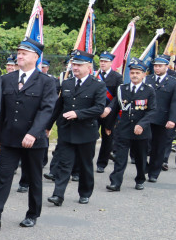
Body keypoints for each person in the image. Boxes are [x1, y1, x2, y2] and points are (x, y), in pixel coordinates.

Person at [0, 37, 57, 231]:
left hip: (34, 140)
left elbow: (46, 110)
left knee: (33, 178)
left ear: (35, 56)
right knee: (3, 177)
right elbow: (1, 112)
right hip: (9, 138)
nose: (19, 56)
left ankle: (32, 214)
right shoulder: (6, 79)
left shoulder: (46, 82)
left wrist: (33, 133)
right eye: (19, 52)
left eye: (24, 53)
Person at [47, 51, 108, 206]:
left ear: (89, 67)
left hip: (86, 131)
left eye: (79, 65)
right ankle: (58, 195)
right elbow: (58, 107)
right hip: (67, 130)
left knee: (85, 164)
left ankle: (85, 192)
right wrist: (48, 126)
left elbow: (99, 108)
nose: (75, 68)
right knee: (64, 164)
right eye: (74, 64)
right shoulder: (67, 83)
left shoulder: (98, 85)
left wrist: (78, 113)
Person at [107, 59, 156, 191]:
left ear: (144, 74)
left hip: (141, 131)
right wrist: (108, 125)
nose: (134, 75)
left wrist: (142, 124)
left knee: (140, 158)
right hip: (124, 129)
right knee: (120, 158)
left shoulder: (149, 91)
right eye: (132, 73)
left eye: (137, 73)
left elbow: (152, 110)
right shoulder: (122, 89)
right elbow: (116, 107)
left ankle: (140, 179)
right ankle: (115, 183)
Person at [144, 55, 176, 182]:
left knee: (158, 147)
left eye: (160, 66)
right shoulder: (147, 79)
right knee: (142, 145)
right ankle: (144, 166)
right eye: (155, 65)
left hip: (162, 120)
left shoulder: (174, 82)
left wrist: (172, 120)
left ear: (166, 67)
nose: (157, 68)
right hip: (146, 118)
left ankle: (154, 172)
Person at [95, 53, 124, 173]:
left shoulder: (117, 77)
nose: (103, 63)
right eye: (101, 61)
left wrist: (109, 109)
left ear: (111, 63)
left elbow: (118, 96)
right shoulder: (95, 75)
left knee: (107, 138)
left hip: (110, 113)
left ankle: (102, 163)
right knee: (91, 137)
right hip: (95, 111)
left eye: (105, 61)